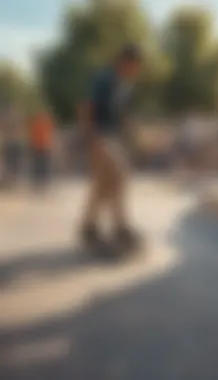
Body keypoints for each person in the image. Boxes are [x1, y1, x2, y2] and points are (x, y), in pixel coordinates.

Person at [79, 44, 143, 247]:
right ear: (125, 62)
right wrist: (91, 138)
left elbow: (124, 118)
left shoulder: (126, 87)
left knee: (103, 185)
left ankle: (88, 227)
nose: (136, 70)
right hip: (100, 136)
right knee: (120, 174)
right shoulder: (104, 79)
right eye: (134, 65)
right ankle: (120, 227)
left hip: (114, 138)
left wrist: (133, 141)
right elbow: (87, 106)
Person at [29, 110, 55, 190]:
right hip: (39, 148)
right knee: (39, 166)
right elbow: (33, 136)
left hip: (44, 147)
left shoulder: (45, 124)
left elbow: (50, 135)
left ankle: (44, 182)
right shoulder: (37, 125)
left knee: (44, 166)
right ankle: (39, 182)